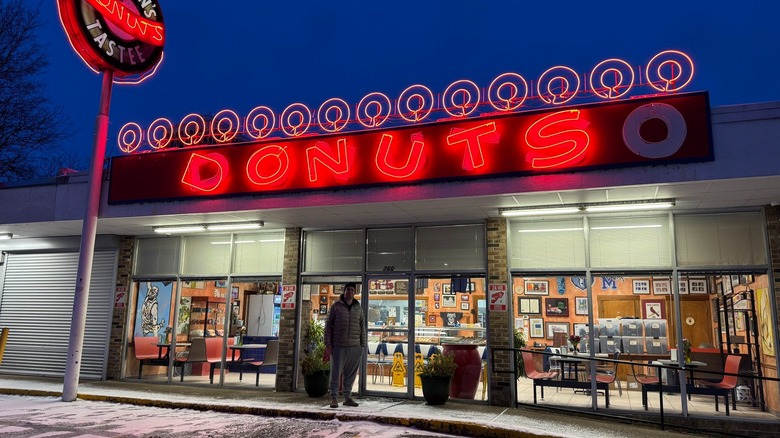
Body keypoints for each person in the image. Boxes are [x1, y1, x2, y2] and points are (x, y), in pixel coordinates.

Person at [324, 282, 366, 408]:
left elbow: (362, 326)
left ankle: (347, 397)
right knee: (336, 373)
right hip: (338, 346)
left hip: (355, 346)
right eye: (348, 289)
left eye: (352, 290)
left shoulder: (358, 308)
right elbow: (328, 325)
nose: (350, 292)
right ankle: (334, 398)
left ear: (355, 292)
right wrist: (328, 344)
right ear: (344, 291)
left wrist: (362, 345)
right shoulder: (336, 306)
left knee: (351, 374)